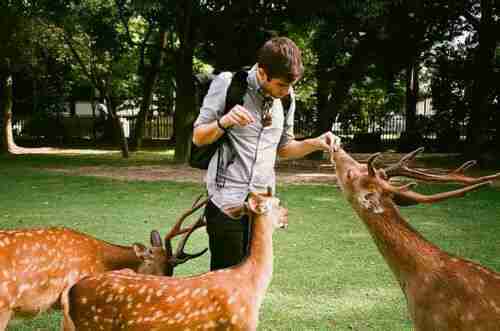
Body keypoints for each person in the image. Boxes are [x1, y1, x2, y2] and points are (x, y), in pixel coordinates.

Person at [192, 37, 340, 270]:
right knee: (226, 284)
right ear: (262, 73)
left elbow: (283, 149)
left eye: (291, 86)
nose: (286, 91)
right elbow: (198, 137)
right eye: (281, 85)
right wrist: (224, 122)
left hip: (262, 207)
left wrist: (316, 142)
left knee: (254, 279)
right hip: (226, 202)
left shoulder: (287, 98)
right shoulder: (228, 84)